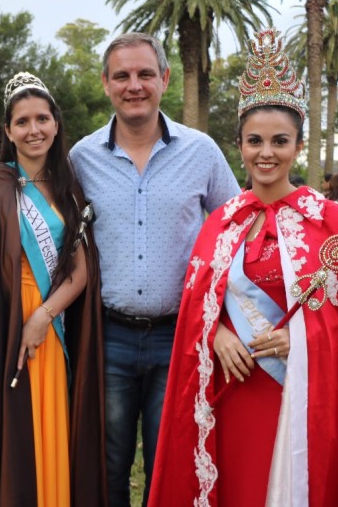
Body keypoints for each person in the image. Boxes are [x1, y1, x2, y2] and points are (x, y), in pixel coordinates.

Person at [149, 29, 338, 506]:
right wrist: (218, 332)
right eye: (255, 141)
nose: (267, 153)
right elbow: (198, 303)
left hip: (299, 388)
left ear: (298, 147)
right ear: (239, 145)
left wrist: (302, 337)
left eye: (279, 141)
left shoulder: (332, 223)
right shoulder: (222, 222)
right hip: (234, 386)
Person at [69, 32, 240, 507]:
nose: (134, 85)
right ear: (105, 83)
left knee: (173, 464)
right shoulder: (81, 159)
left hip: (181, 335)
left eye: (145, 74)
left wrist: (228, 317)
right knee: (109, 464)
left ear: (164, 78)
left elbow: (237, 229)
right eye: (122, 75)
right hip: (109, 338)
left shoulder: (201, 152)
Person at [0, 72, 106, 506]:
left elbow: (81, 272)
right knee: (14, 427)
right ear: (8, 131)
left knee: (52, 425)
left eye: (42, 118)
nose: (33, 129)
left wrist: (43, 316)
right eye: (22, 121)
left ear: (56, 124)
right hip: (1, 321)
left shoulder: (68, 187)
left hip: (51, 321)